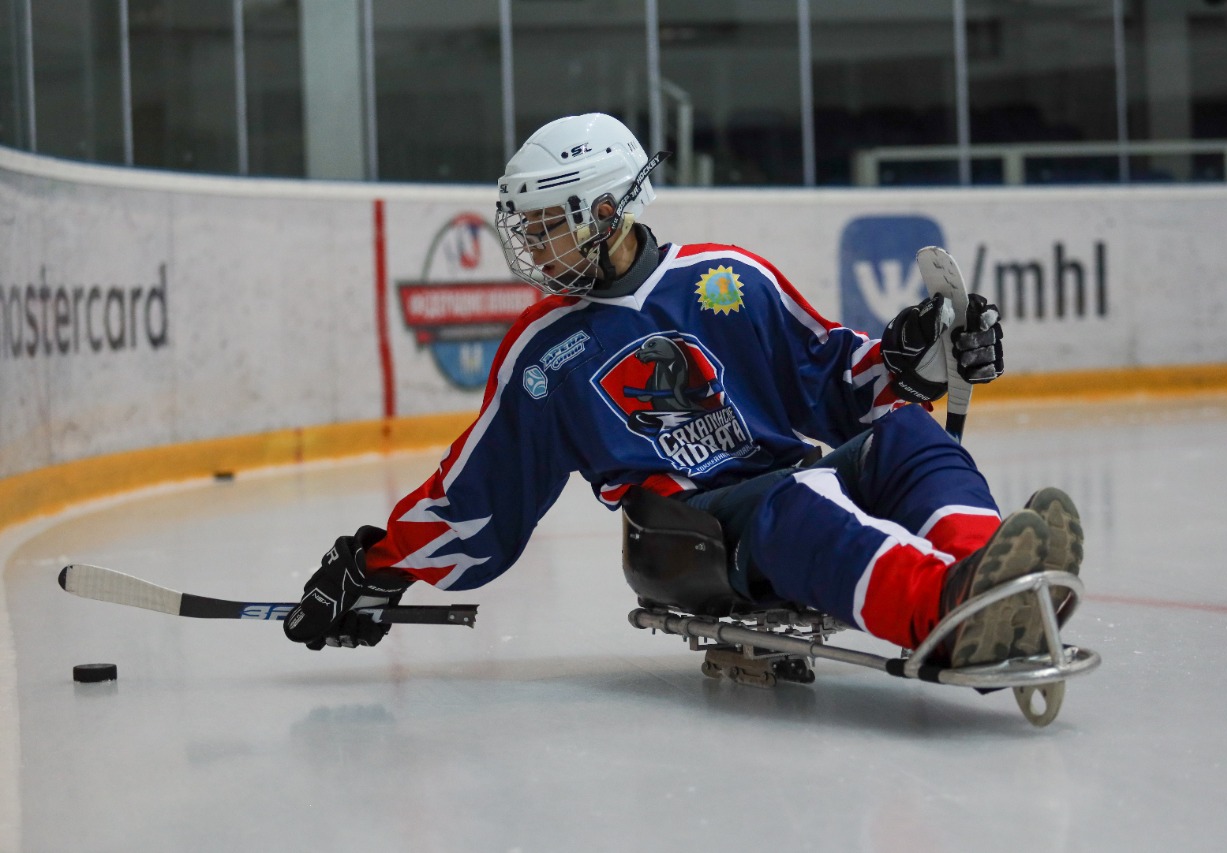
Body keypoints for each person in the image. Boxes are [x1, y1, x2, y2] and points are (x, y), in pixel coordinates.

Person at [283, 113, 1083, 668]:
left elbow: (838, 381)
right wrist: (372, 567)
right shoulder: (545, 351)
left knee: (909, 434)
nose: (531, 242)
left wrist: (916, 357)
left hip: (785, 480)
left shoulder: (726, 277)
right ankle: (945, 609)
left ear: (607, 209)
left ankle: (995, 578)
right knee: (803, 498)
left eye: (549, 222)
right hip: (688, 525)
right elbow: (476, 497)